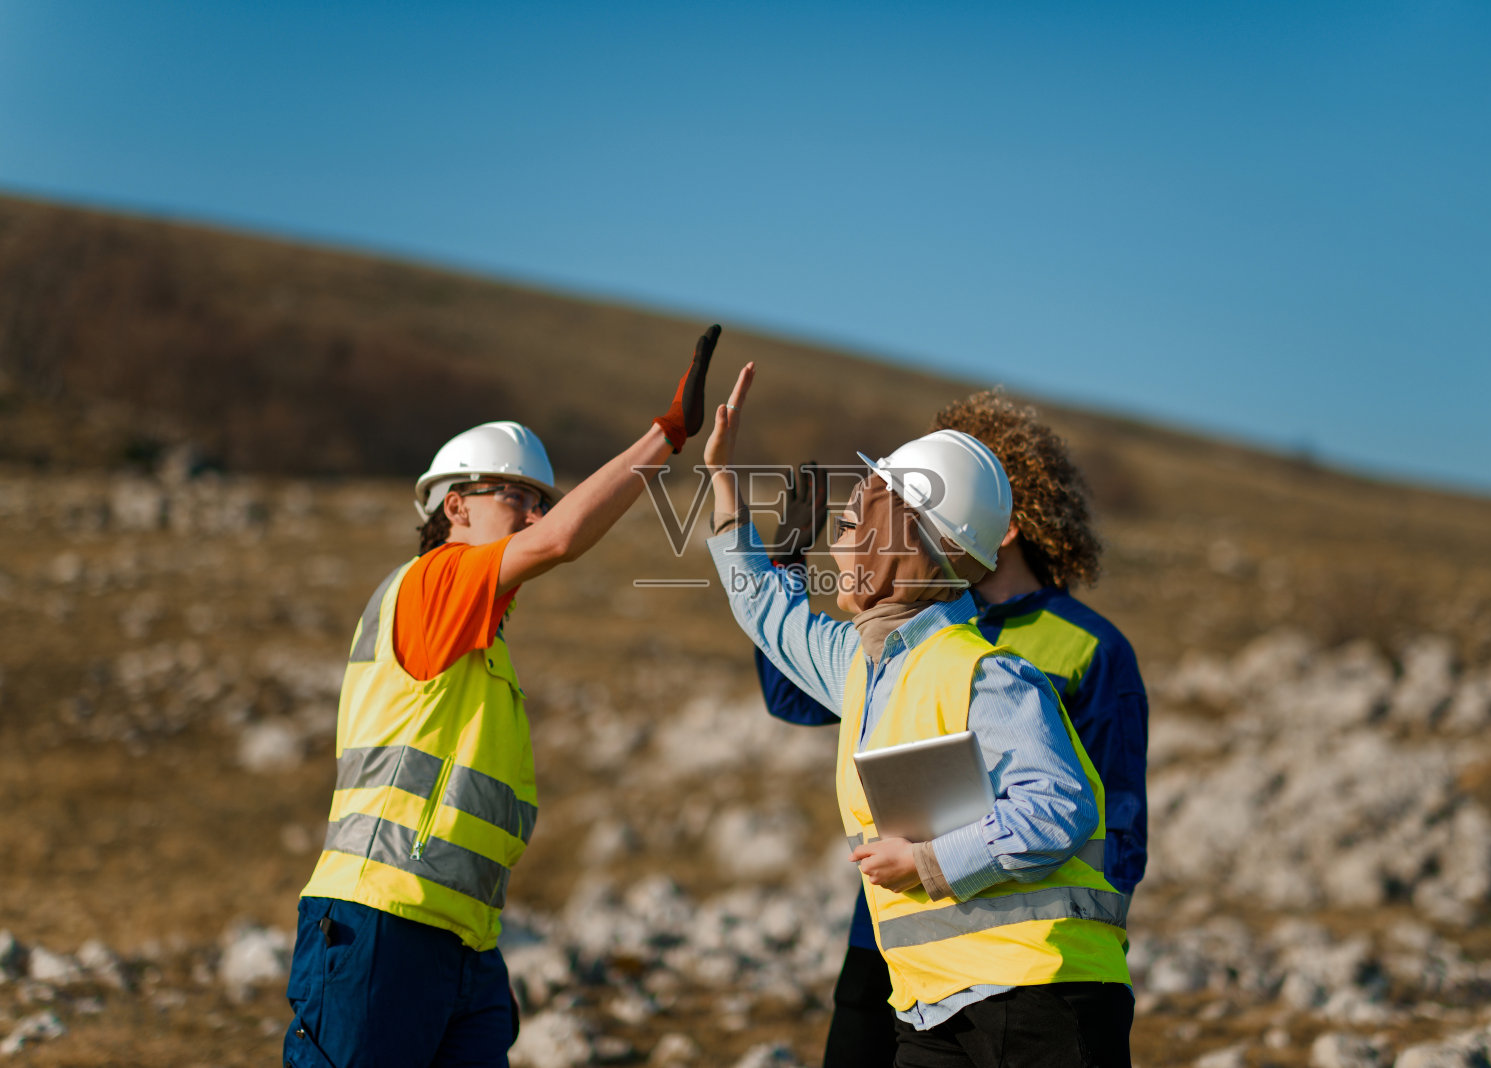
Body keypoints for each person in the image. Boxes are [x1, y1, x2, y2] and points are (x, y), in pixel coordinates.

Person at [282, 326, 722, 1068]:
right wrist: (665, 438)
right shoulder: (433, 583)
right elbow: (561, 543)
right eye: (516, 495)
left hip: (463, 944)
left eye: (539, 499)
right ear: (455, 508)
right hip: (381, 925)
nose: (534, 515)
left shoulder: (484, 649)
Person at [704, 365, 1133, 1068]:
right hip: (934, 1005)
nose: (842, 535)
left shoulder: (988, 672)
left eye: (860, 519)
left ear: (916, 544)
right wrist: (721, 479)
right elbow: (766, 610)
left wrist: (930, 861)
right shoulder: (859, 665)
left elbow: (1059, 807)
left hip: (1043, 999)